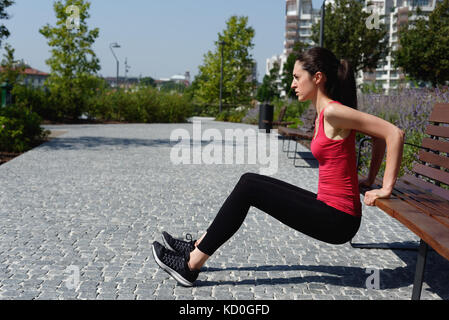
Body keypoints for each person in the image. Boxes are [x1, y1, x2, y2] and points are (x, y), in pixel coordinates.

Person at [151, 47, 405, 287]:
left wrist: (385, 187)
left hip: (338, 219)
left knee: (249, 186)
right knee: (249, 181)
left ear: (317, 78)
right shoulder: (325, 113)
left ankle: (191, 266)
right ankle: (197, 246)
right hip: (328, 208)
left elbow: (393, 133)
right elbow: (376, 135)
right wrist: (370, 177)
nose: (292, 84)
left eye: (297, 77)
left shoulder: (332, 112)